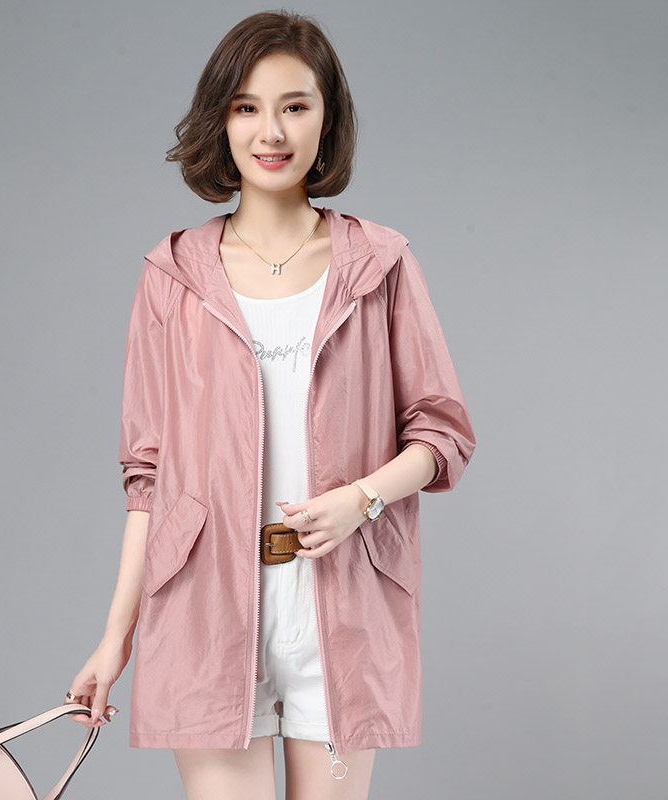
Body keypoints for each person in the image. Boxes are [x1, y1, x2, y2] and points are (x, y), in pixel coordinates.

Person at [66, 10, 476, 799]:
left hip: (345, 607)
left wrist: (362, 499)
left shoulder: (380, 263)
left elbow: (442, 432)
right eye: (247, 107)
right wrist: (115, 637)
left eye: (295, 105)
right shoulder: (173, 275)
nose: (272, 131)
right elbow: (148, 479)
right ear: (221, 121)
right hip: (204, 607)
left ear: (329, 118)